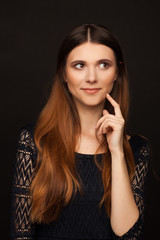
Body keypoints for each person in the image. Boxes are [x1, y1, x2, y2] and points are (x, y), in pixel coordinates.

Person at [10, 24, 150, 240]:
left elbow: (128, 235)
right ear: (64, 73)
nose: (92, 77)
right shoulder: (34, 141)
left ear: (117, 73)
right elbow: (20, 235)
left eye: (103, 65)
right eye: (79, 65)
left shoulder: (137, 148)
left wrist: (117, 152)